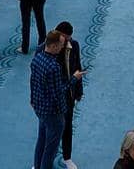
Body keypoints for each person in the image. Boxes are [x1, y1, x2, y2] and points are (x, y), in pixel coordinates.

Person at [31, 30, 81, 169]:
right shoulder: (54, 67)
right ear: (53, 46)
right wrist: (73, 79)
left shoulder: (37, 58)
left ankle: (37, 165)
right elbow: (58, 93)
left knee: (41, 140)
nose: (61, 49)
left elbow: (33, 82)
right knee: (51, 149)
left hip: (40, 108)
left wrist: (33, 100)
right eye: (60, 46)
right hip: (53, 113)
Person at [55, 22, 84, 168]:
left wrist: (79, 91)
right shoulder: (48, 49)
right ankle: (43, 159)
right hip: (53, 98)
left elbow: (78, 67)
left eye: (69, 39)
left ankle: (67, 157)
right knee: (49, 131)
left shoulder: (74, 45)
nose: (67, 42)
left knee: (67, 127)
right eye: (65, 39)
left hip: (69, 95)